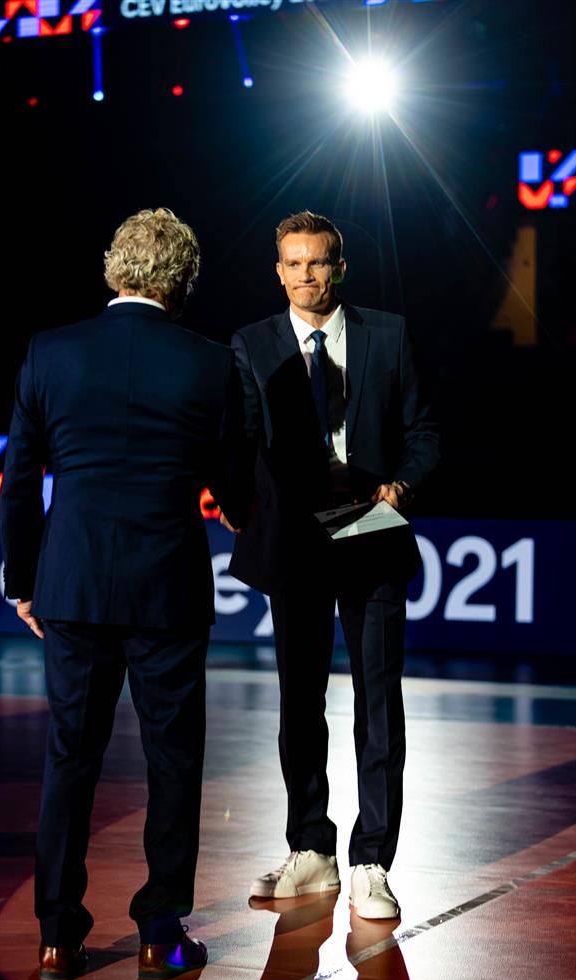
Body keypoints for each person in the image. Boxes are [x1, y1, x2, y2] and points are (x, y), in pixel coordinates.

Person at [0, 208, 249, 980]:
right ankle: (159, 934)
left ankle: (56, 936)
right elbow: (235, 486)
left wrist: (21, 582)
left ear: (114, 267)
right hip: (167, 588)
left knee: (70, 757)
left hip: (71, 584)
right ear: (182, 281)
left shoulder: (50, 351)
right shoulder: (210, 363)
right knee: (172, 759)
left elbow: (18, 482)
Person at [224, 211, 439, 919]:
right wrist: (238, 503)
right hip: (294, 537)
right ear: (278, 271)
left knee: (378, 701)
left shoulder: (389, 334)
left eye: (317, 262)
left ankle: (371, 859)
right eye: (293, 263)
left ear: (338, 267)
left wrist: (400, 485)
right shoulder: (252, 343)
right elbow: (239, 441)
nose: (305, 275)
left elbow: (424, 432)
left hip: (370, 524)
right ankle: (310, 848)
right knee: (299, 701)